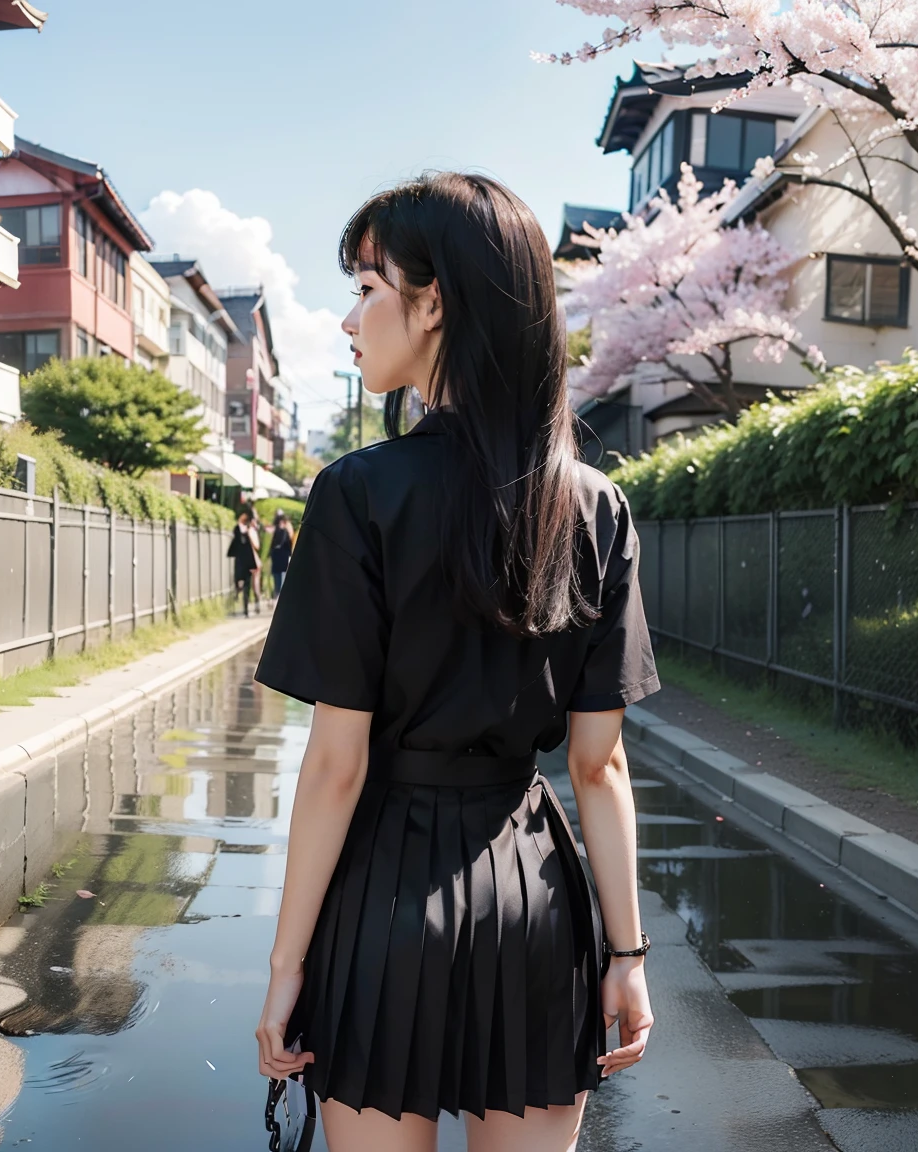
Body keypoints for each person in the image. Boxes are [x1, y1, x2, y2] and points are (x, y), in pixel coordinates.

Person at [254, 172, 658, 1152]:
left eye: (366, 287)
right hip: (534, 898)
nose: (350, 318)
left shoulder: (357, 493)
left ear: (433, 304)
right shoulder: (594, 506)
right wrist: (628, 953)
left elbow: (337, 765)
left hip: (383, 901)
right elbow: (598, 764)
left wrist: (285, 970)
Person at [228, 509, 262, 616]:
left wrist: (250, 536)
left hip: (252, 561)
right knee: (240, 583)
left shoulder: (252, 531)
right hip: (242, 560)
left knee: (254, 585)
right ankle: (242, 605)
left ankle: (256, 604)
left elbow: (257, 546)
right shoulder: (239, 530)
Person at [269, 510, 295, 599]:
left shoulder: (285, 530)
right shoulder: (277, 530)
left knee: (281, 578)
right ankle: (277, 595)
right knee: (278, 578)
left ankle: (278, 595)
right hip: (279, 557)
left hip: (282, 556)